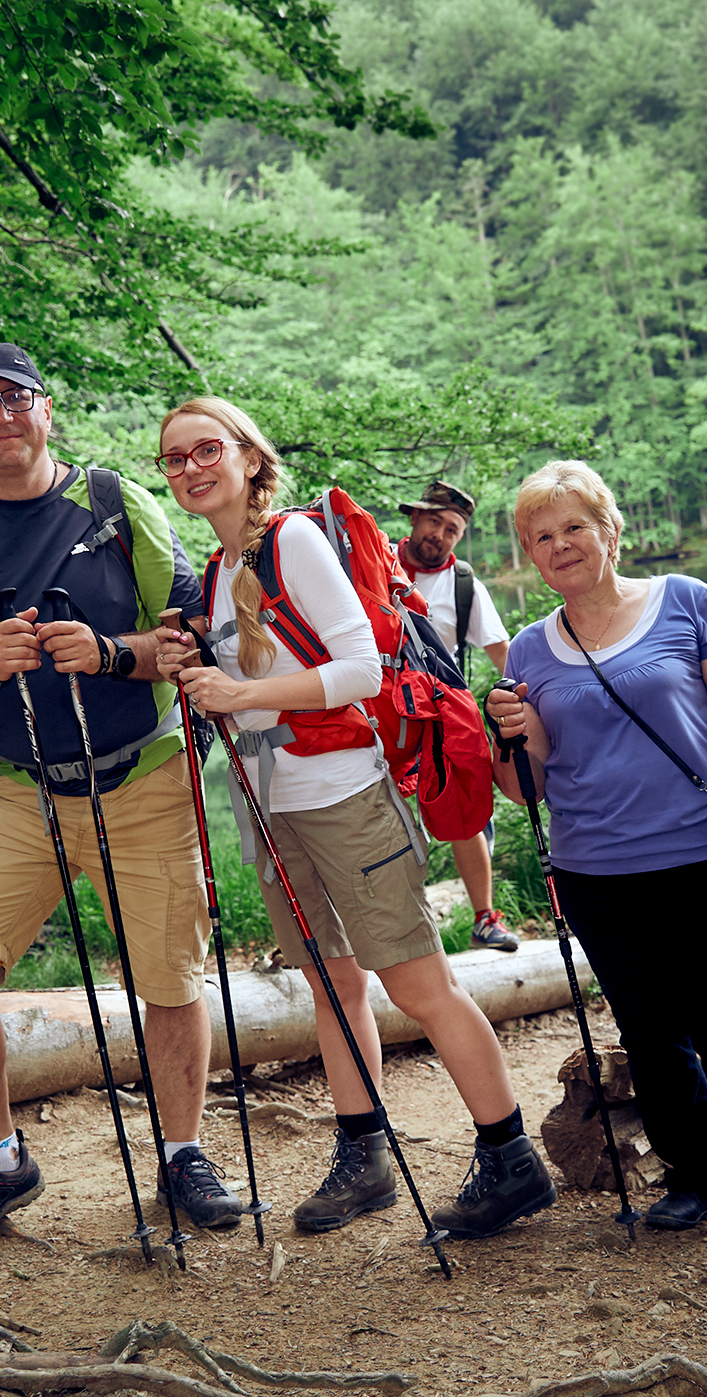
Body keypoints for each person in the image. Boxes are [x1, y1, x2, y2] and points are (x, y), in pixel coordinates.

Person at [151, 396, 557, 1241]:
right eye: (174, 459)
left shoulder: (292, 541)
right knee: (330, 983)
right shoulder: (223, 572)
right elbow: (260, 678)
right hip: (272, 805)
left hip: (342, 793)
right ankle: (364, 1153)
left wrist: (241, 691)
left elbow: (363, 669)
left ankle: (510, 1156)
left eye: (205, 451)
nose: (190, 469)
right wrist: (204, 660)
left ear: (248, 458)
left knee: (419, 983)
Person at [0, 341, 245, 1263]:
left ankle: (182, 1154)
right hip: (20, 789)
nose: (1, 415)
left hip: (144, 774)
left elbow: (196, 633)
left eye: (17, 398)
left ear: (47, 409)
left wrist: (114, 652)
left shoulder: (119, 504)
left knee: (165, 978)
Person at [484, 459, 707, 1253]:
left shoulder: (686, 600)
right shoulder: (529, 653)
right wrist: (505, 734)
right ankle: (693, 1180)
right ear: (530, 558)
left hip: (704, 858)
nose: (560, 544)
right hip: (594, 874)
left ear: (610, 530)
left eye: (574, 526)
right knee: (649, 1035)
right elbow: (523, 786)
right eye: (542, 536)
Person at [393, 480, 520, 952]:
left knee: (466, 808)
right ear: (414, 518)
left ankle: (485, 919)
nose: (441, 535)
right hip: (378, 713)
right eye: (434, 522)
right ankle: (397, 926)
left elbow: (503, 653)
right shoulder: (373, 562)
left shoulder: (464, 584)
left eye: (453, 529)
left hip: (440, 714)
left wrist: (539, 707)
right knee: (381, 815)